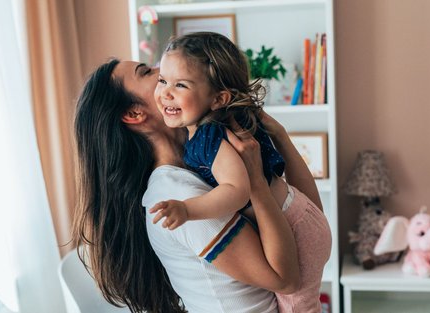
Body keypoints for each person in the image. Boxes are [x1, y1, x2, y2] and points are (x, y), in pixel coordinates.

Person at [71, 58, 324, 312]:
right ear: (134, 114)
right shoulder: (179, 196)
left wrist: (279, 135)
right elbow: (286, 279)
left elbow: (308, 215)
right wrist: (255, 181)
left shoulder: (202, 163)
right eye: (149, 72)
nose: (166, 71)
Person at [149, 32, 331, 312]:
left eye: (181, 85)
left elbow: (236, 190)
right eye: (162, 80)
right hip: (302, 215)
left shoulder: (210, 137)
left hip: (295, 228)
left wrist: (188, 210)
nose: (165, 92)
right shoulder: (220, 128)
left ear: (219, 98)